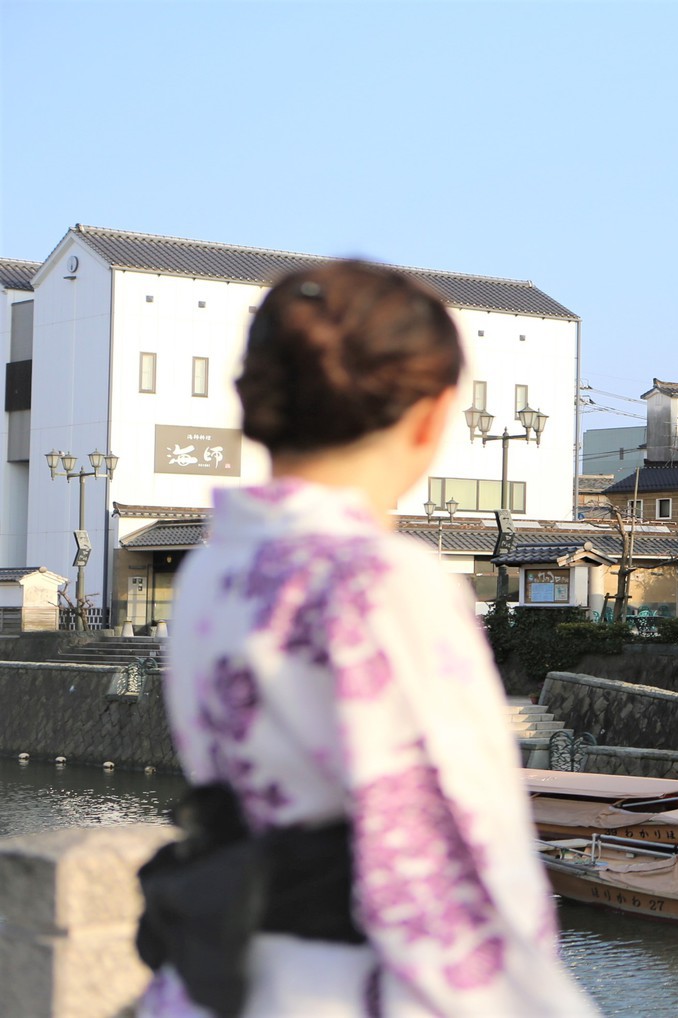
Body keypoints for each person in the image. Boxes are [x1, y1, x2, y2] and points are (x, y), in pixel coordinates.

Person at [141, 263, 596, 1017]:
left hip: (218, 975)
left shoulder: (211, 568)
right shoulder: (380, 577)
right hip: (346, 986)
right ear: (431, 414)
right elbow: (447, 848)